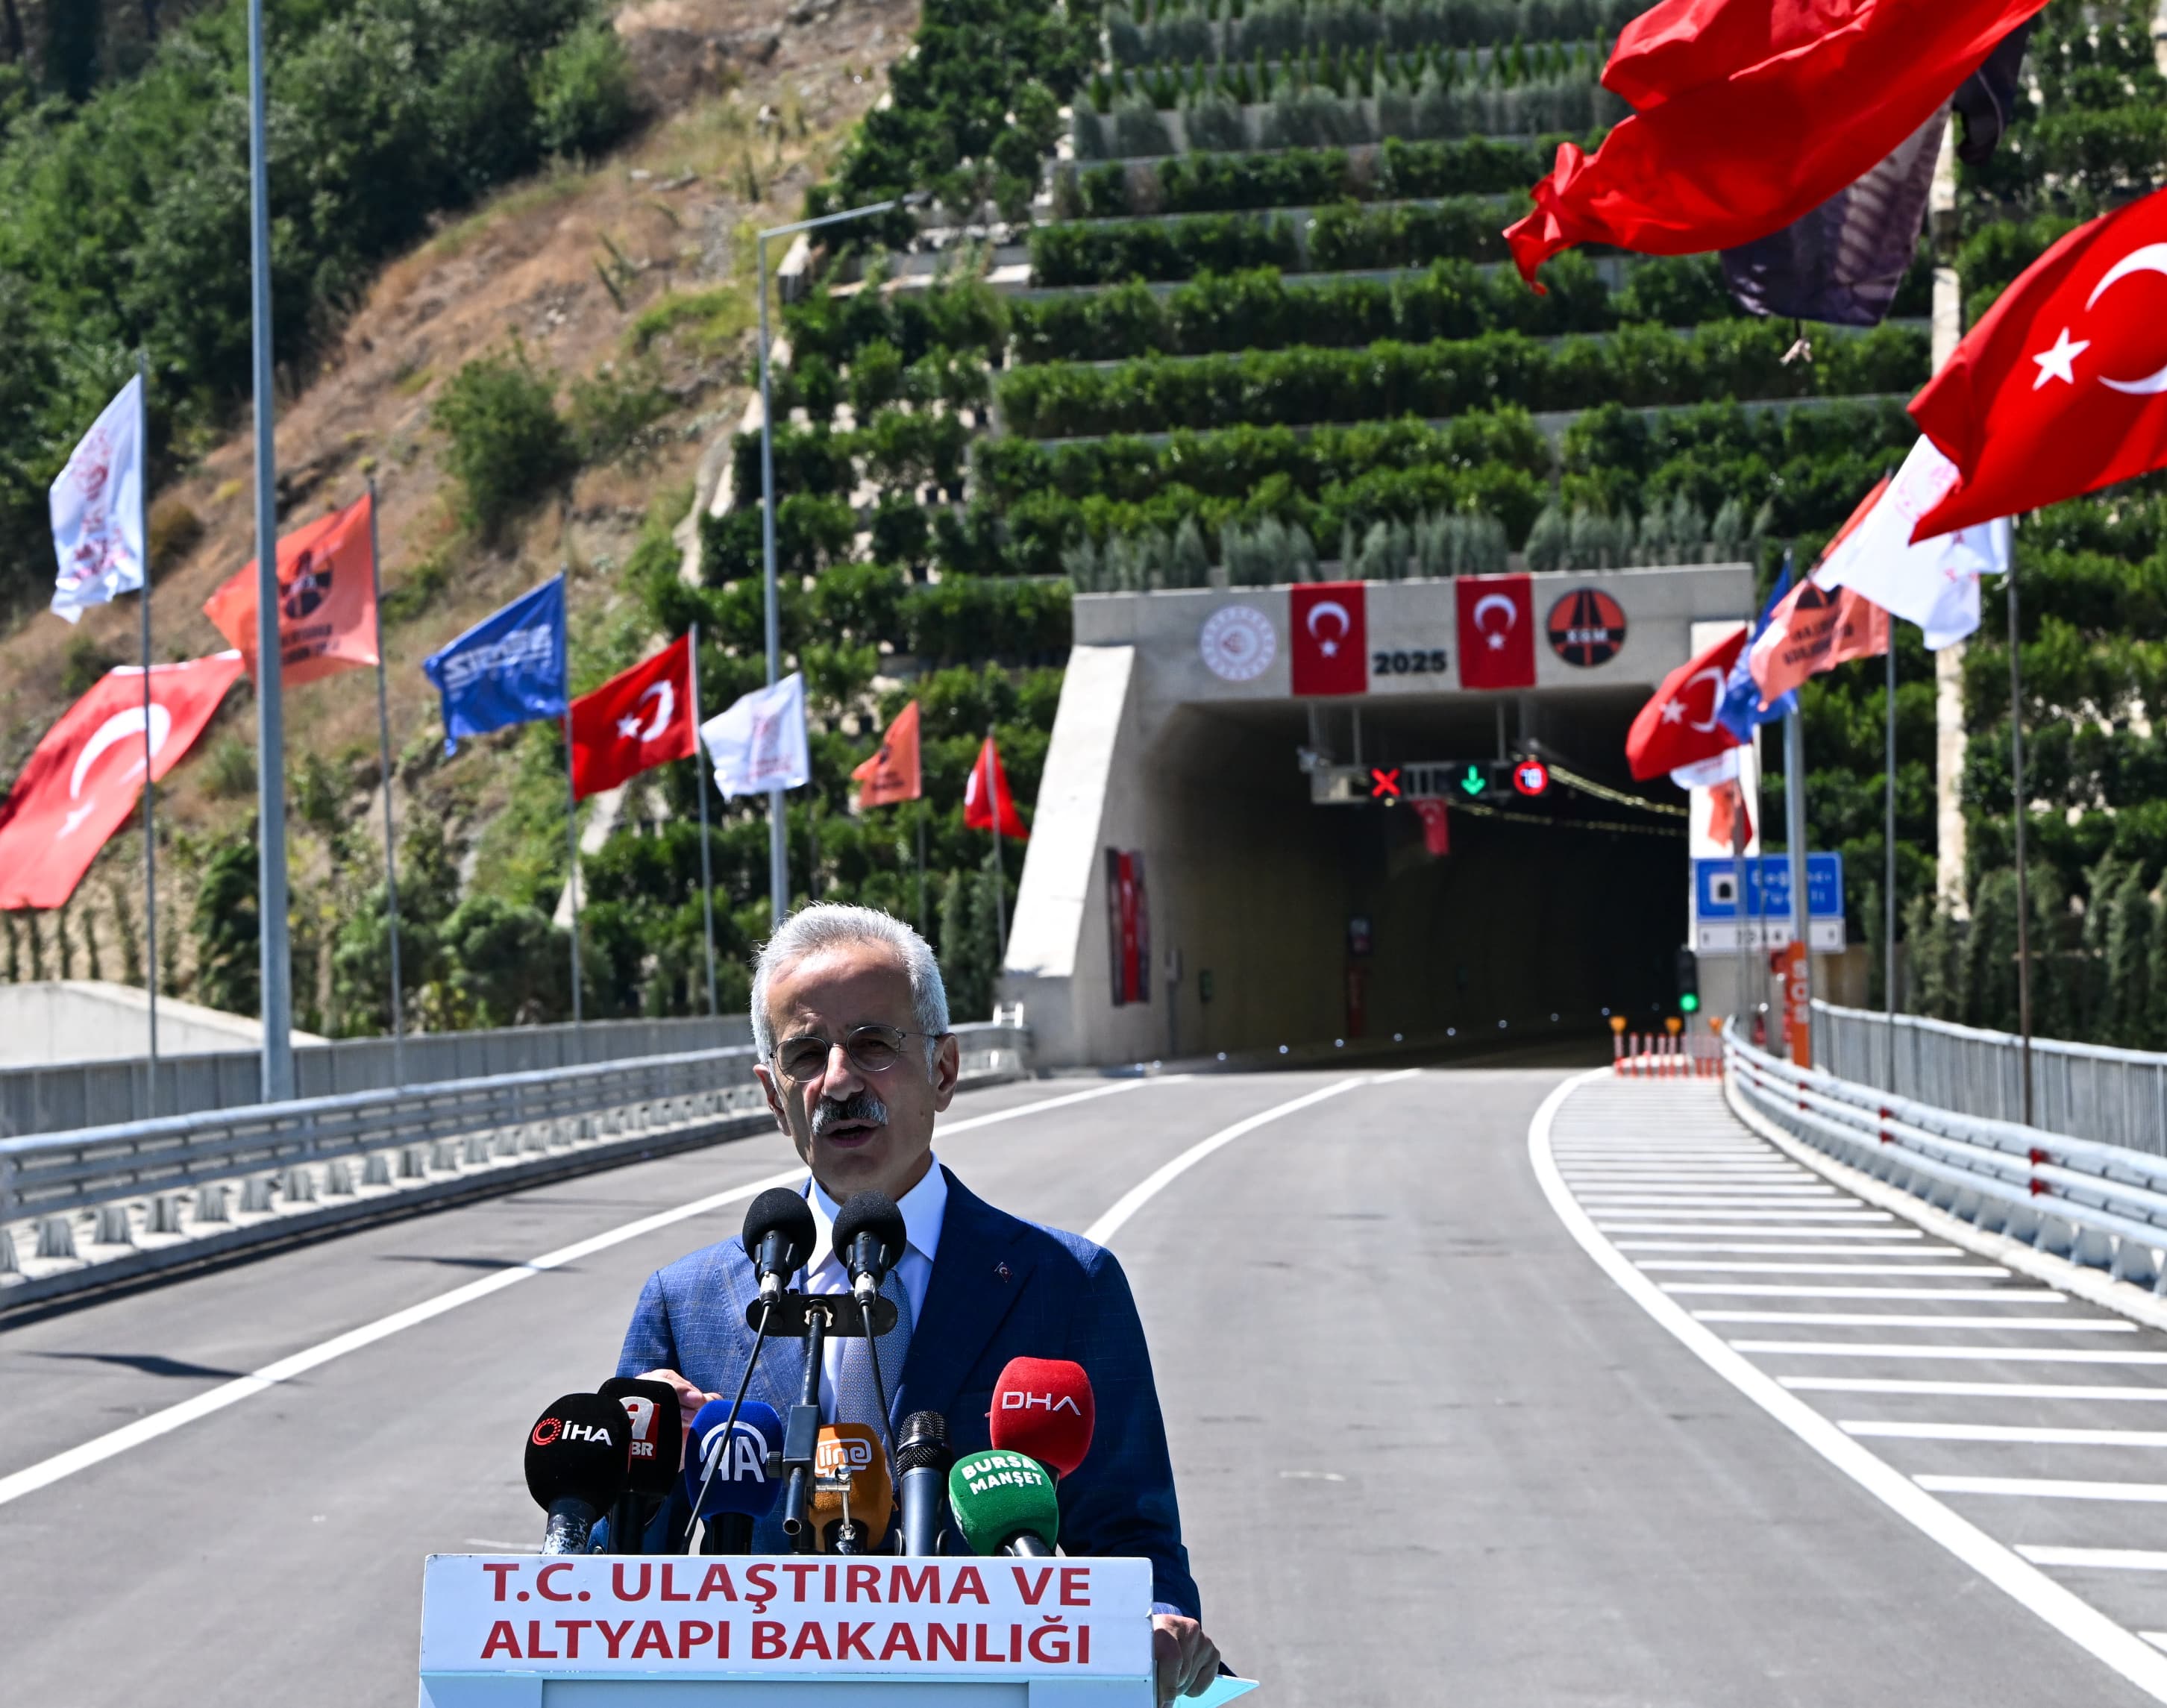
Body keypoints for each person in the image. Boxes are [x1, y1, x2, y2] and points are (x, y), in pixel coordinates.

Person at [617, 902, 1222, 1704]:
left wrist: (1158, 1626)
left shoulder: (1067, 1285)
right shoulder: (686, 1305)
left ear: (943, 1068)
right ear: (773, 1095)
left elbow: (1134, 1544)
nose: (837, 1081)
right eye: (805, 1054)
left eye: (872, 1045)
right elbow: (612, 1577)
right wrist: (632, 1478)